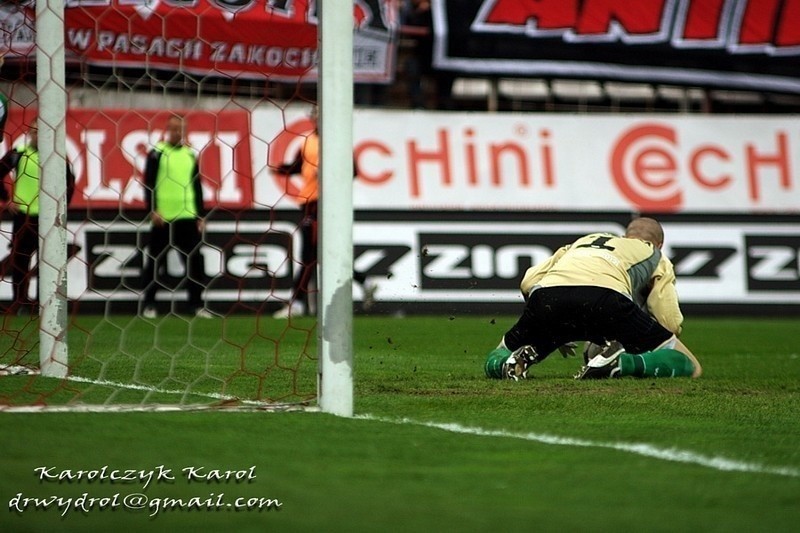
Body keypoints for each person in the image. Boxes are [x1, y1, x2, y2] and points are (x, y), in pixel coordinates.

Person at [484, 217, 702, 380]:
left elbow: (528, 281)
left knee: (501, 352)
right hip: (606, 299)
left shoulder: (582, 242)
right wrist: (655, 339)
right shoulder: (653, 253)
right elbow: (669, 321)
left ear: (625, 236)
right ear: (659, 244)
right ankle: (621, 363)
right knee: (691, 366)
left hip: (548, 297)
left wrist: (552, 324)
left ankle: (505, 364)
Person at [272, 108, 377, 319]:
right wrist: (280, 169)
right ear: (312, 119)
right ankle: (364, 281)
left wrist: (331, 172)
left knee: (309, 255)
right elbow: (297, 167)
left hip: (325, 203)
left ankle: (297, 303)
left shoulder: (339, 141)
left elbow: (354, 171)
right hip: (309, 202)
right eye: (316, 116)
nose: (318, 119)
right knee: (326, 255)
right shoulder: (307, 142)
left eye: (322, 115)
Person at [140, 114, 212, 319]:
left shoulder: (190, 154)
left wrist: (201, 214)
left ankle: (196, 305)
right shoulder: (157, 153)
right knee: (155, 262)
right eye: (173, 128)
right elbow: (149, 183)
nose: (177, 132)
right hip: (164, 217)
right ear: (166, 129)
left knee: (195, 262)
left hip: (187, 216)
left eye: (180, 129)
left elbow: (197, 185)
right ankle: (150, 304)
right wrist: (152, 209)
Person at [0, 124, 75, 314]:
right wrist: (6, 200)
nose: (37, 135)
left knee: (48, 263)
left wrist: (62, 208)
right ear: (29, 134)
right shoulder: (18, 154)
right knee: (20, 262)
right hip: (23, 217)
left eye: (42, 131)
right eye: (34, 131)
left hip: (48, 218)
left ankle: (46, 304)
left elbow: (70, 184)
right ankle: (20, 303)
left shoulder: (57, 157)